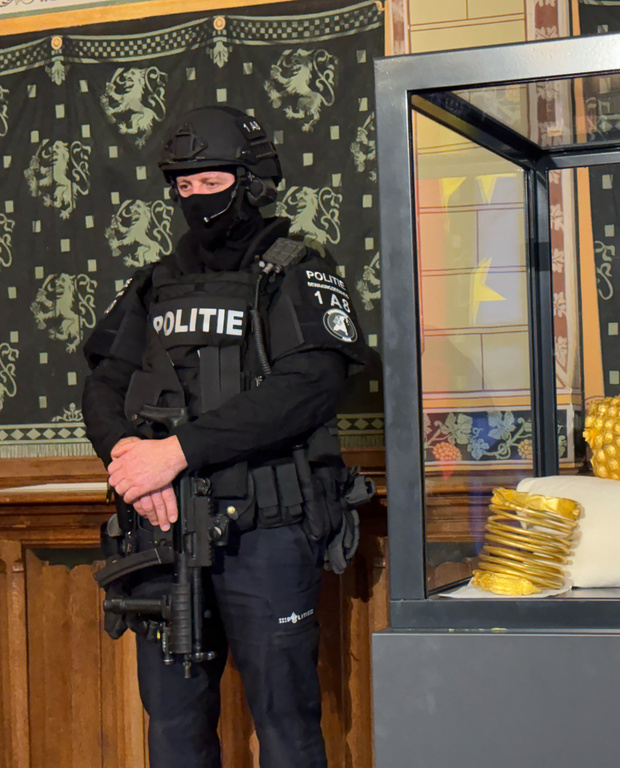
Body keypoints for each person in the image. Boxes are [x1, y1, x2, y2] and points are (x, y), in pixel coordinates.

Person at [81, 105, 368, 768]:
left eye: (211, 183)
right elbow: (103, 384)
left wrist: (178, 453)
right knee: (174, 726)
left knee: (287, 723)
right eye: (184, 186)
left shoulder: (296, 271)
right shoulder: (154, 284)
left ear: (252, 179)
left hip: (266, 526)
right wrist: (129, 462)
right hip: (161, 529)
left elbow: (312, 386)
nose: (197, 200)